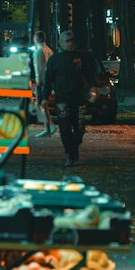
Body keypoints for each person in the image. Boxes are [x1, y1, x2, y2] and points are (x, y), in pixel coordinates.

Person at [40, 29, 97, 167]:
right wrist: (45, 97)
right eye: (67, 41)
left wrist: (93, 87)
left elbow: (89, 72)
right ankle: (70, 155)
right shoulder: (54, 60)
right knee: (65, 129)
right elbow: (48, 79)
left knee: (80, 128)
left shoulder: (80, 57)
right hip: (62, 98)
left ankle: (74, 148)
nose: (70, 44)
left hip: (78, 98)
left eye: (72, 41)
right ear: (60, 43)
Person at [29, 28, 55, 134]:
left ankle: (48, 126)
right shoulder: (49, 50)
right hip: (49, 80)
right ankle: (49, 126)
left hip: (42, 81)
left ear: (36, 39)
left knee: (39, 104)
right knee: (42, 103)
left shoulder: (38, 52)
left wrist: (38, 82)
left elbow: (39, 68)